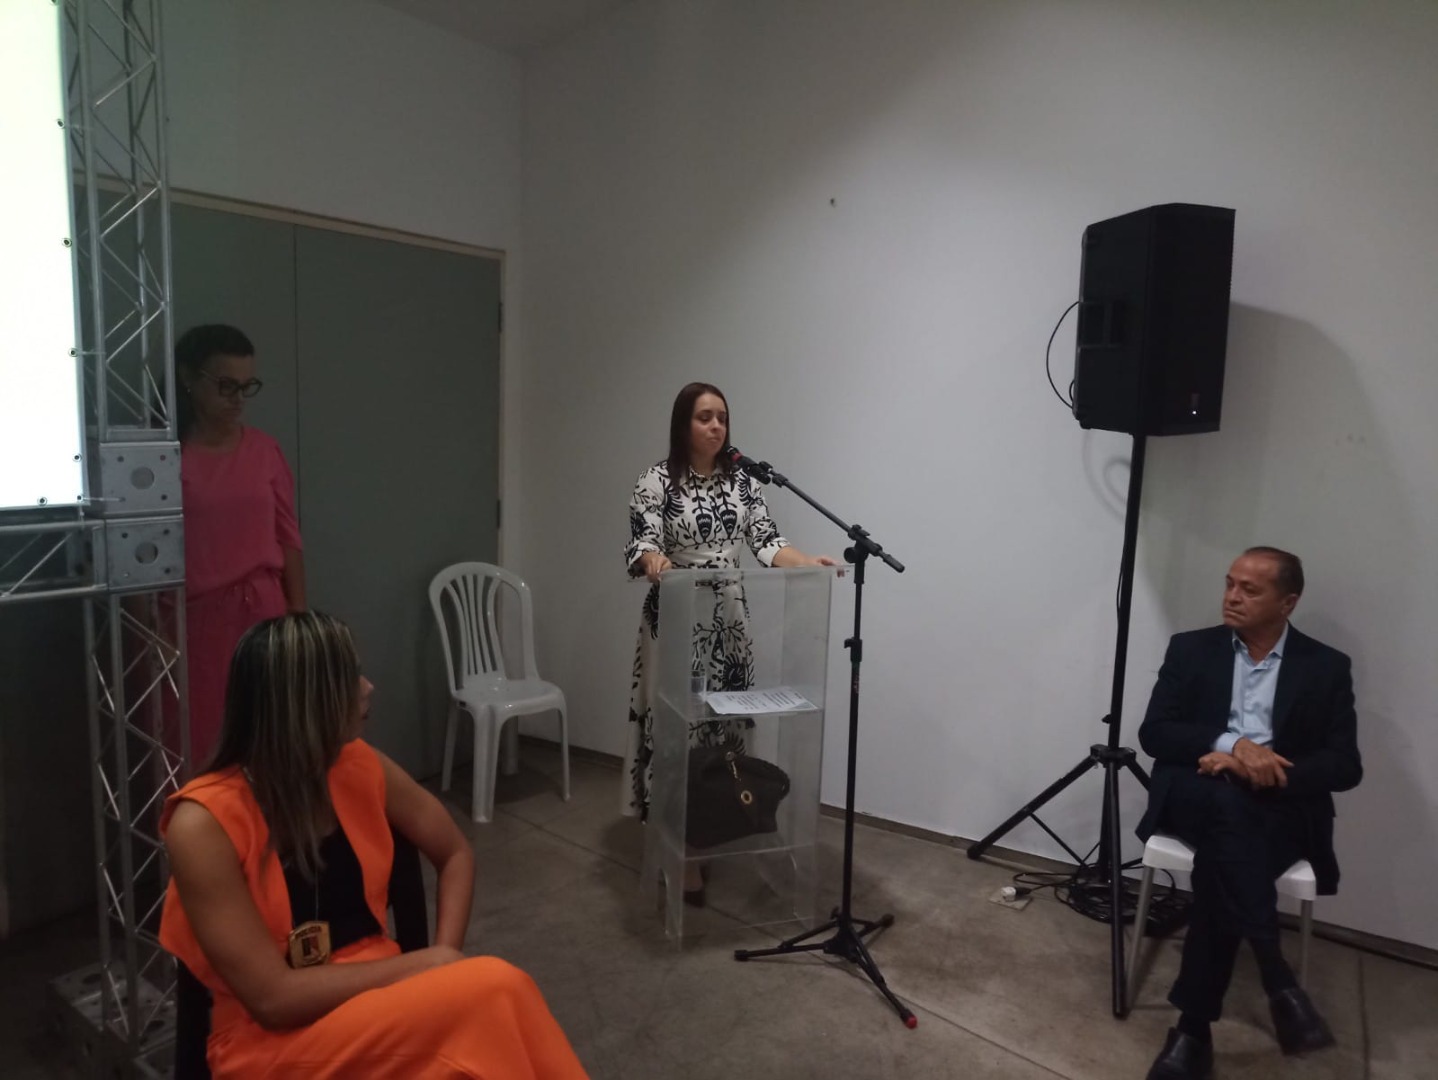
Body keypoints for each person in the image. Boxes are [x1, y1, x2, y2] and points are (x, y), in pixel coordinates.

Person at [159, 611, 588, 1079]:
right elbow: (272, 1000)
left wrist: (443, 962)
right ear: (306, 701)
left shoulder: (358, 766)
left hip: (378, 1004)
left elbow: (454, 853)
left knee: (494, 1004)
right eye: (350, 677)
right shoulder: (202, 824)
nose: (367, 688)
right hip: (271, 1042)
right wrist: (428, 966)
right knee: (497, 993)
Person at [1138, 548, 1362, 1080]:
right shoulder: (1191, 649)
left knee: (1226, 854)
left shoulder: (1326, 666)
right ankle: (1275, 972)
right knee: (1226, 809)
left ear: (1288, 602)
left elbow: (1344, 765)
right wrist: (1233, 745)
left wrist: (1265, 770)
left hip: (1277, 806)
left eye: (1250, 589)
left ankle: (1193, 1030)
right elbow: (1156, 734)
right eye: (1230, 584)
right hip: (1197, 791)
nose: (1232, 597)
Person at [621, 382, 835, 898]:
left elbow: (768, 541)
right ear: (683, 425)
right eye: (704, 417)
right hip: (677, 617)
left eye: (722, 417)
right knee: (679, 732)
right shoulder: (655, 481)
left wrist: (808, 563)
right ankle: (679, 847)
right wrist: (654, 561)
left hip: (730, 624)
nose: (716, 426)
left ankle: (712, 826)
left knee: (721, 731)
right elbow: (642, 542)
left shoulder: (743, 482)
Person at [176, 324, 305, 763]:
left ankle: (268, 810)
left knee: (270, 735)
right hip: (194, 624)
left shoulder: (264, 450)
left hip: (263, 615)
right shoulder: (167, 456)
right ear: (188, 378)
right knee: (200, 741)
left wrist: (298, 616)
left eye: (246, 387)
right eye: (225, 385)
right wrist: (152, 634)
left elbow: (288, 536)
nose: (237, 399)